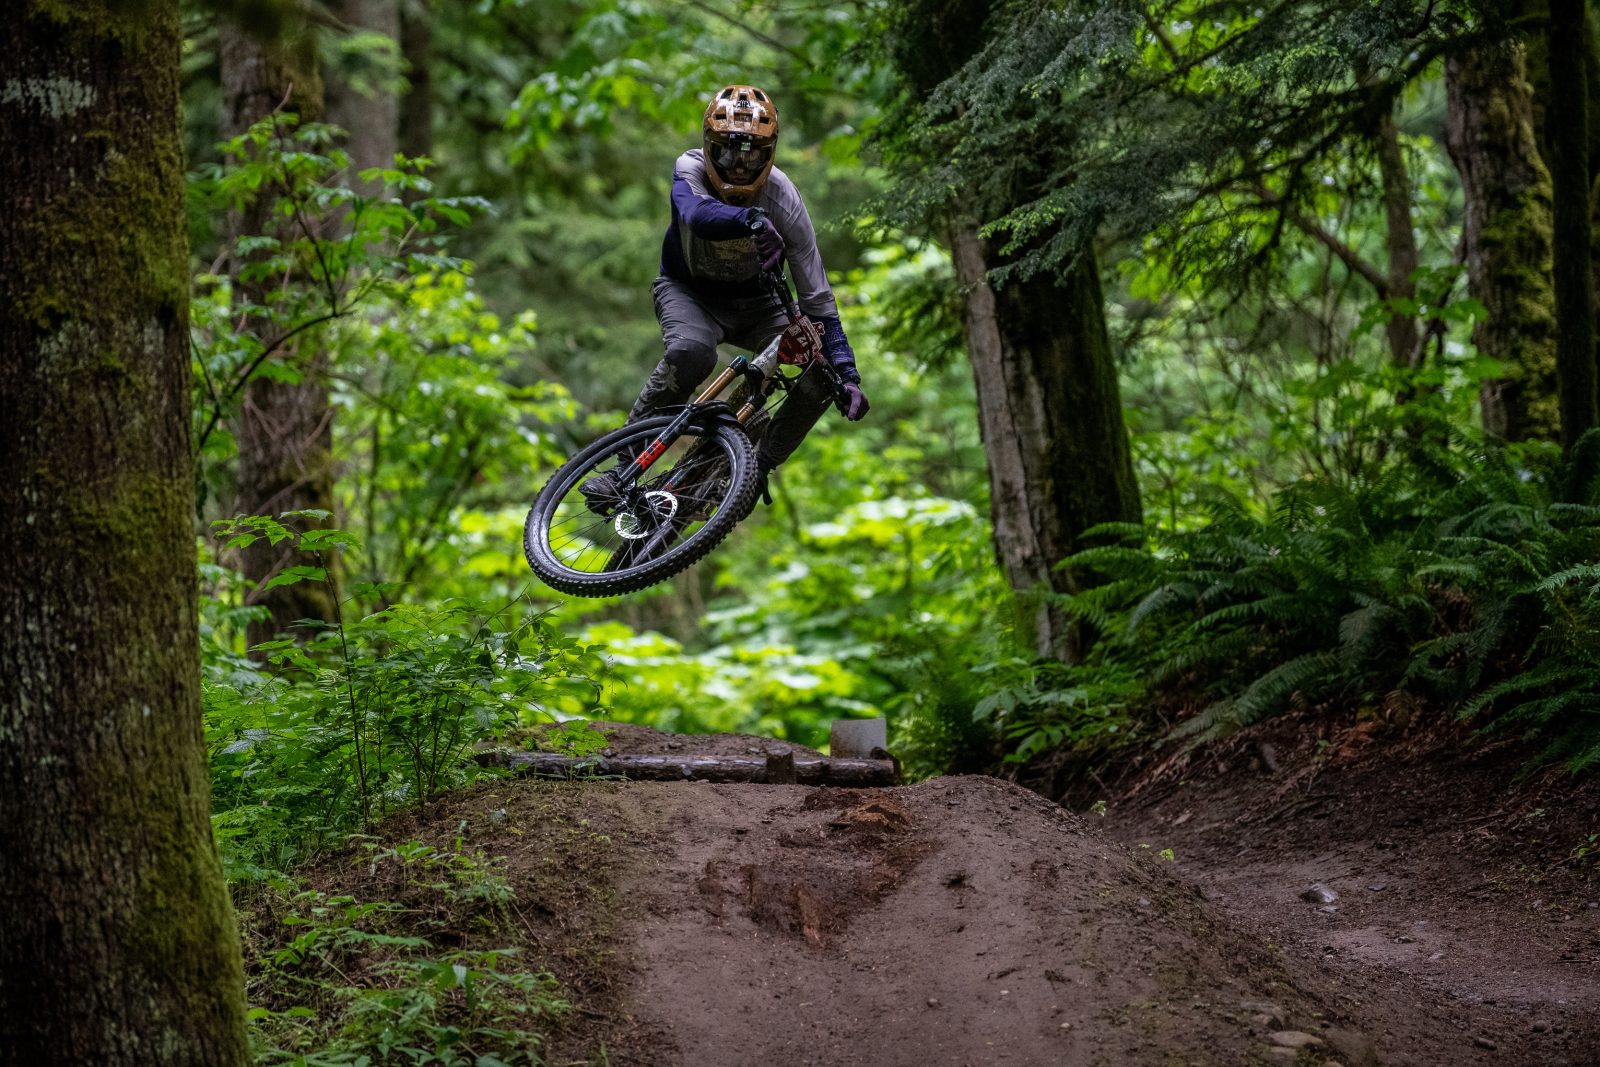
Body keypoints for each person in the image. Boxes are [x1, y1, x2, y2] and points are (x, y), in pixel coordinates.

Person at [582, 83, 868, 512]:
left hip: (761, 306)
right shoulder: (689, 167)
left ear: (769, 152)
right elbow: (696, 214)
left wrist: (846, 372)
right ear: (707, 147)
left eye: (752, 152)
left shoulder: (784, 198)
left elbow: (818, 300)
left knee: (821, 375)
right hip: (688, 292)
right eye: (728, 150)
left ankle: (755, 467)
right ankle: (622, 470)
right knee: (691, 352)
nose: (738, 164)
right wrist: (749, 219)